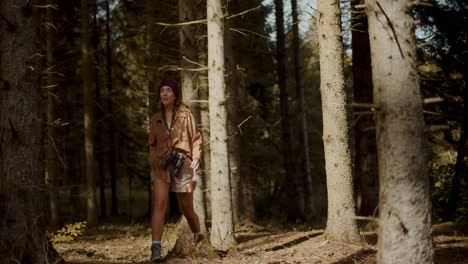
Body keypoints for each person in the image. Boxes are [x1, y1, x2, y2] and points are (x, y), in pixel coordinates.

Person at [148, 80, 203, 262]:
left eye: (168, 90)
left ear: (175, 94)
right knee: (160, 204)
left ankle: (198, 235)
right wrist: (153, 160)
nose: (164, 94)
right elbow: (151, 144)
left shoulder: (186, 115)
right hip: (161, 165)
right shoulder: (155, 118)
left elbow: (195, 138)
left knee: (187, 208)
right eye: (162, 90)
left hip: (184, 164)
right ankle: (155, 250)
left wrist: (195, 158)